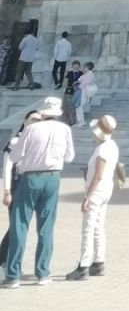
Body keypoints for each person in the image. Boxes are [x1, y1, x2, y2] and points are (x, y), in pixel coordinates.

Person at [3, 95, 75, 286]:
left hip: (31, 177)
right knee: (46, 226)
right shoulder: (65, 129)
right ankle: (42, 272)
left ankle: (13, 274)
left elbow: (16, 154)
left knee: (20, 223)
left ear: (43, 112)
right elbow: (69, 156)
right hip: (53, 177)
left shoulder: (33, 128)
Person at [65, 115, 119, 281]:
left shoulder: (102, 149)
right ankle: (99, 261)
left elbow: (98, 175)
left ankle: (84, 266)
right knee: (98, 226)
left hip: (97, 191)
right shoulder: (112, 145)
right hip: (106, 190)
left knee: (88, 228)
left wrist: (87, 196)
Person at [0, 107, 42, 263]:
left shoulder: (37, 142)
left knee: (21, 227)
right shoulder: (15, 141)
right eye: (33, 120)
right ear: (25, 120)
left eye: (39, 121)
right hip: (16, 188)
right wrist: (6, 191)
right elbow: (7, 166)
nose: (35, 123)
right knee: (16, 227)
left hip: (30, 188)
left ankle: (9, 261)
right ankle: (4, 260)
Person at [14, 26, 39, 91]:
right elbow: (37, 48)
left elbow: (20, 47)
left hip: (23, 58)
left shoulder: (25, 39)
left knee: (19, 72)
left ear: (26, 34)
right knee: (28, 72)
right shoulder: (36, 39)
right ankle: (32, 84)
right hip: (30, 59)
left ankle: (16, 86)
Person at [63, 61, 83, 127]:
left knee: (75, 107)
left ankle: (74, 121)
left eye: (77, 67)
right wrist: (66, 86)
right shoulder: (70, 73)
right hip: (69, 90)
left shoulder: (81, 73)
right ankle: (70, 121)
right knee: (68, 106)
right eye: (74, 66)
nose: (75, 68)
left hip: (77, 91)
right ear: (72, 66)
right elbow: (66, 80)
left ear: (79, 67)